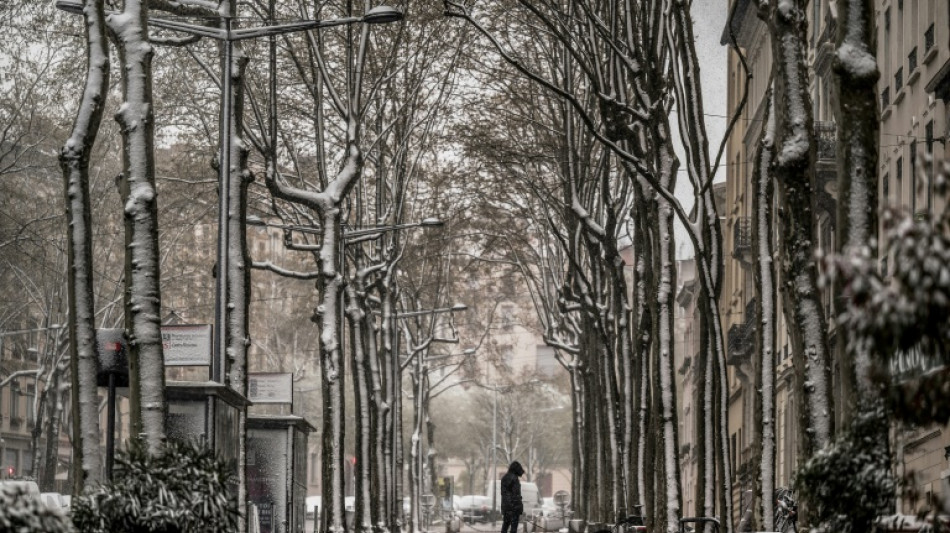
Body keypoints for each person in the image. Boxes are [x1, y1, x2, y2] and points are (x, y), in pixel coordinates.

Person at [501, 461, 525, 533]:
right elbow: (516, 495)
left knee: (505, 526)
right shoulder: (514, 479)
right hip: (514, 508)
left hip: (506, 507)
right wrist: (519, 507)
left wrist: (507, 506)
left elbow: (504, 493)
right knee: (513, 529)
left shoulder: (504, 477)